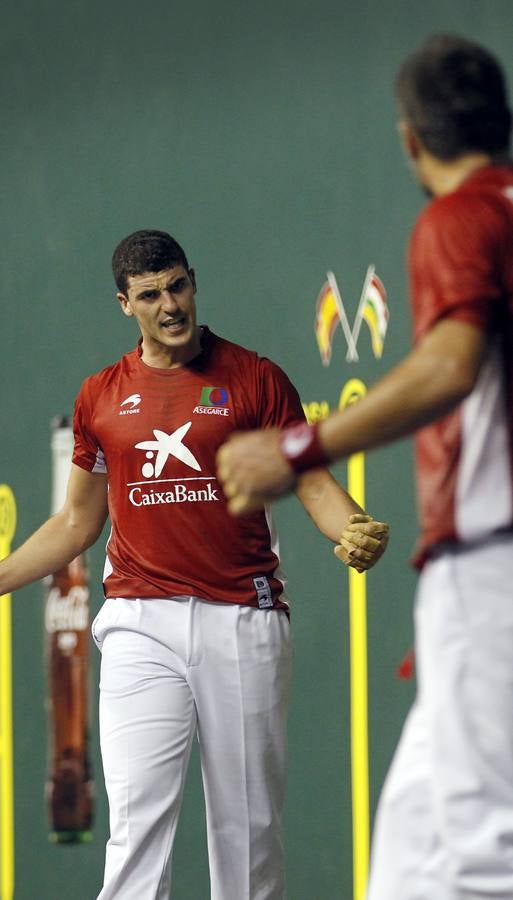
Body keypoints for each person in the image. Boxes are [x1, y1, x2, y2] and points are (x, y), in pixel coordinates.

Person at [0, 230, 388, 900]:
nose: (169, 305)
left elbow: (310, 481)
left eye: (177, 286)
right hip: (140, 626)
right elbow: (76, 523)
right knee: (136, 824)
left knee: (249, 833)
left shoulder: (255, 378)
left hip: (243, 619)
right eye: (150, 295)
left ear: (193, 282)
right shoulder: (101, 397)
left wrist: (349, 526)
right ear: (125, 304)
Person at [217, 34, 513, 900]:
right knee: (411, 863)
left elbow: (448, 364)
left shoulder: (462, 218)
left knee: (488, 857)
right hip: (483, 583)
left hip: (490, 563)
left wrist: (298, 445)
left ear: (410, 142)